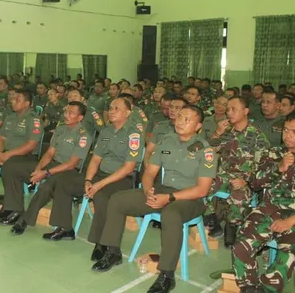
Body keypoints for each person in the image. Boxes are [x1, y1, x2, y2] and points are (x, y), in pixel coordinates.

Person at [93, 105, 217, 293]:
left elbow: (202, 190)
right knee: (118, 200)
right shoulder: (165, 141)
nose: (181, 121)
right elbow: (150, 172)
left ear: (199, 125)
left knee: (171, 214)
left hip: (189, 199)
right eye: (180, 116)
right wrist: (148, 189)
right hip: (161, 191)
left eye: (187, 119)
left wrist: (169, 197)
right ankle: (113, 252)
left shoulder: (206, 151)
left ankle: (167, 275)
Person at [34, 97, 144, 242]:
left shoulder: (133, 133)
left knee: (101, 194)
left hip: (122, 179)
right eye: (110, 108)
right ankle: (65, 228)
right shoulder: (106, 131)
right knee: (64, 182)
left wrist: (99, 184)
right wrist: (88, 180)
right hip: (100, 175)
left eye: (116, 108)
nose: (111, 111)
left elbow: (128, 167)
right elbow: (95, 159)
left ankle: (101, 242)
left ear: (128, 113)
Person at [0, 101, 92, 228]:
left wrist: (45, 173)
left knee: (45, 187)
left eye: (71, 113)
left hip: (67, 172)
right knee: (11, 167)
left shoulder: (83, 135)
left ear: (80, 117)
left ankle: (25, 220)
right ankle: (14, 209)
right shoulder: (61, 129)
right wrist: (37, 169)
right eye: (66, 111)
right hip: (51, 165)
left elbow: (71, 164)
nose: (66, 115)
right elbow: (49, 153)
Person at [233, 112, 295, 293]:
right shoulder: (274, 153)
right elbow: (255, 183)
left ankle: (266, 289)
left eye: (294, 131)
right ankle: (250, 288)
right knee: (240, 247)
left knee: (288, 254)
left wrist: (289, 222)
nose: (288, 135)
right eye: (286, 130)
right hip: (269, 209)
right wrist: (280, 168)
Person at [205, 96, 269, 244]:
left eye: (234, 109)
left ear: (246, 111)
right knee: (203, 186)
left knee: (239, 195)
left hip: (245, 178)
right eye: (228, 109)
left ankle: (231, 226)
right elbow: (209, 152)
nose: (229, 113)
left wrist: (247, 180)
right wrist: (217, 133)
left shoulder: (257, 135)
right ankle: (212, 221)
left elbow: (264, 165)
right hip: (223, 174)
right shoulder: (226, 132)